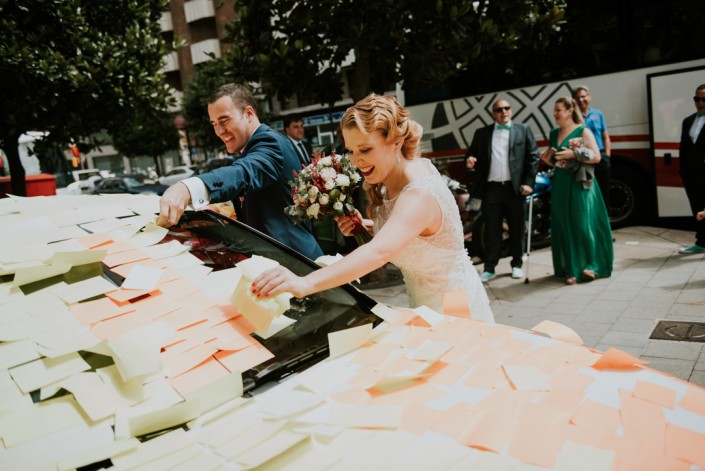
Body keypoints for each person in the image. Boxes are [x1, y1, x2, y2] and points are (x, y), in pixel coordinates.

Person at [251, 94, 494, 322]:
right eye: (351, 150)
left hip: (456, 307)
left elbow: (378, 253)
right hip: (424, 304)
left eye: (365, 149)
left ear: (396, 142)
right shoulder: (399, 172)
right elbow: (418, 234)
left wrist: (303, 283)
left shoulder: (418, 194)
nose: (355, 161)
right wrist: (367, 225)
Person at [156, 83, 323, 261]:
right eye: (214, 124)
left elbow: (243, 173)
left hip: (295, 263)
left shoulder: (270, 142)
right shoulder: (252, 146)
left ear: (249, 113)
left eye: (224, 120)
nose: (219, 131)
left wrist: (187, 188)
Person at [539, 97, 613, 285]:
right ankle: (571, 270)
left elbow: (597, 157)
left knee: (583, 224)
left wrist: (574, 153)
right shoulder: (554, 133)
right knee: (564, 225)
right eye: (555, 110)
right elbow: (556, 161)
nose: (555, 114)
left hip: (581, 183)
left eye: (558, 110)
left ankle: (592, 265)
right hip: (561, 182)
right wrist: (548, 159)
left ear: (569, 110)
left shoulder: (583, 131)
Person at [465, 99, 539, 283]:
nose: (503, 112)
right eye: (499, 109)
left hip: (515, 189)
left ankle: (517, 264)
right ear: (493, 113)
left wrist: (529, 182)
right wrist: (470, 159)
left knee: (516, 228)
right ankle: (490, 268)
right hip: (491, 189)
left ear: (511, 110)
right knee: (491, 230)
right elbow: (471, 154)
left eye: (506, 108)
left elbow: (533, 157)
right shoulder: (482, 133)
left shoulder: (523, 129)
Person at [573, 85, 612, 209]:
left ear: (589, 97)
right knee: (587, 190)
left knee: (603, 190)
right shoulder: (573, 117)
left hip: (601, 156)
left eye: (583, 96)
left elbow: (605, 136)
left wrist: (607, 155)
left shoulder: (598, 114)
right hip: (584, 157)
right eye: (577, 97)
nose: (581, 100)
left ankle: (604, 222)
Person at [677, 84, 705, 254]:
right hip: (691, 173)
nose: (700, 103)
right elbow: (684, 147)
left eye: (704, 99)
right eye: (697, 99)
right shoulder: (688, 121)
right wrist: (683, 170)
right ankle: (702, 241)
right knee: (697, 206)